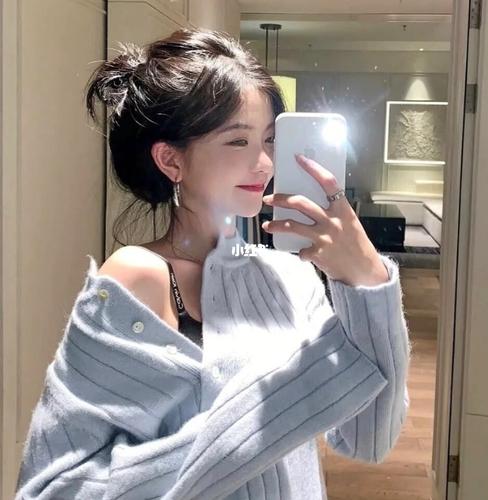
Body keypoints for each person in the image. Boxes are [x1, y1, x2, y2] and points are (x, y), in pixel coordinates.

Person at [15, 28, 411, 500]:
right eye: (238, 141)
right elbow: (57, 488)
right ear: (171, 160)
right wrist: (276, 411)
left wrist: (366, 281)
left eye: (269, 139)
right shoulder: (139, 277)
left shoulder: (290, 276)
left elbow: (369, 439)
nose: (264, 164)